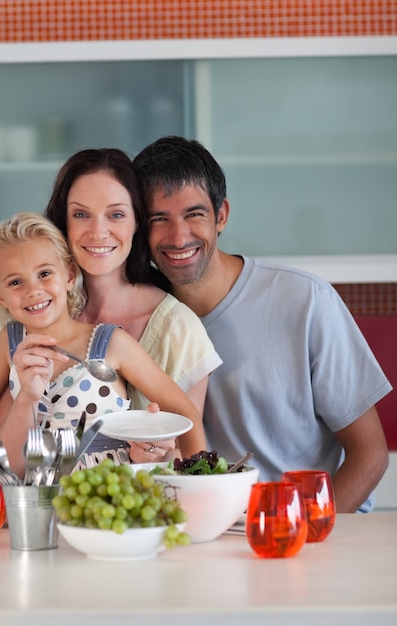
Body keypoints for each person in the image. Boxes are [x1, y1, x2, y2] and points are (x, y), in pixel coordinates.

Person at [0, 148, 221, 518]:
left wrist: (200, 493)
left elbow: (182, 420)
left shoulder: (125, 340)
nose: (33, 291)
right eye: (81, 213)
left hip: (113, 509)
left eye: (115, 214)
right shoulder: (12, 335)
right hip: (30, 511)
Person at [133, 135, 392, 513]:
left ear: (221, 214)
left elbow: (370, 455)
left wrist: (301, 531)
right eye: (159, 219)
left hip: (304, 535)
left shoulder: (306, 300)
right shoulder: (141, 319)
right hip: (203, 533)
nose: (178, 236)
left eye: (194, 214)